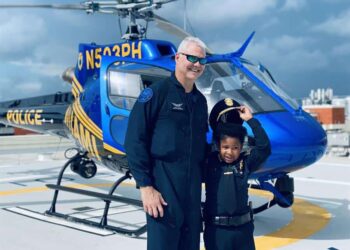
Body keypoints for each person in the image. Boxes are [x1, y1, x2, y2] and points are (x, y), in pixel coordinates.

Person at [124, 36, 208, 250]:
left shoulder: (200, 102)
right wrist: (146, 187)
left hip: (191, 191)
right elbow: (134, 140)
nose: (197, 64)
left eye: (202, 60)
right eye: (191, 58)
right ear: (178, 58)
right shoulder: (156, 93)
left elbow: (201, 147)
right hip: (163, 187)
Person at [203, 106, 271, 250]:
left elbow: (264, 148)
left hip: (243, 231)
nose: (230, 152)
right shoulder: (209, 163)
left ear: (241, 148)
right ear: (218, 146)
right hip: (217, 232)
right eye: (225, 147)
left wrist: (251, 120)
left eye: (235, 148)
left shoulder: (245, 163)